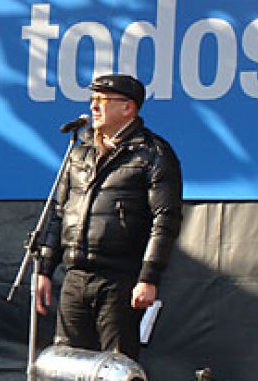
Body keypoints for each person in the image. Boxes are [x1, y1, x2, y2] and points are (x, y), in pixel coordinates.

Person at [35, 74, 183, 361]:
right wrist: (44, 268)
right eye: (92, 100)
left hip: (119, 280)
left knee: (115, 366)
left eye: (102, 101)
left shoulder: (153, 154)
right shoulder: (79, 151)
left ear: (128, 108)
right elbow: (59, 213)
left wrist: (148, 277)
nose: (93, 107)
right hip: (75, 276)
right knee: (68, 364)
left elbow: (165, 220)